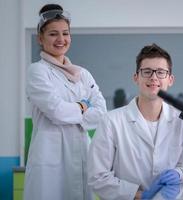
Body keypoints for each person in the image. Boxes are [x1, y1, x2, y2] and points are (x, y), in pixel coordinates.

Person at [87, 43, 183, 200]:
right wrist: (139, 195)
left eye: (161, 72)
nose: (154, 77)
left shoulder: (182, 121)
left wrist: (178, 174)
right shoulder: (111, 121)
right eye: (147, 71)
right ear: (136, 77)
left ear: (170, 79)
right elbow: (97, 176)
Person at [24, 4, 107, 200]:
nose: (61, 40)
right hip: (50, 161)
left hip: (81, 157)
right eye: (53, 34)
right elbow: (57, 111)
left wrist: (72, 112)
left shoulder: (82, 74)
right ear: (40, 38)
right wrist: (83, 106)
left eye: (65, 33)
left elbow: (101, 112)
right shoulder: (37, 71)